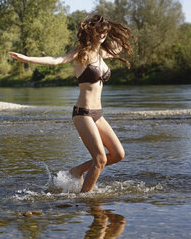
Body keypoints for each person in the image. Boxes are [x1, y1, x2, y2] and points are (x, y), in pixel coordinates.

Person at [9, 15, 133, 193]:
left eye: (104, 30)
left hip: (98, 114)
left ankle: (77, 171)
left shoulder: (103, 53)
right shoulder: (81, 53)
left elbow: (119, 46)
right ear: (89, 30)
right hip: (83, 113)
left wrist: (111, 28)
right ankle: (85, 199)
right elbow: (56, 60)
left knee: (118, 154)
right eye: (98, 29)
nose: (102, 34)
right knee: (100, 160)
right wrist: (27, 59)